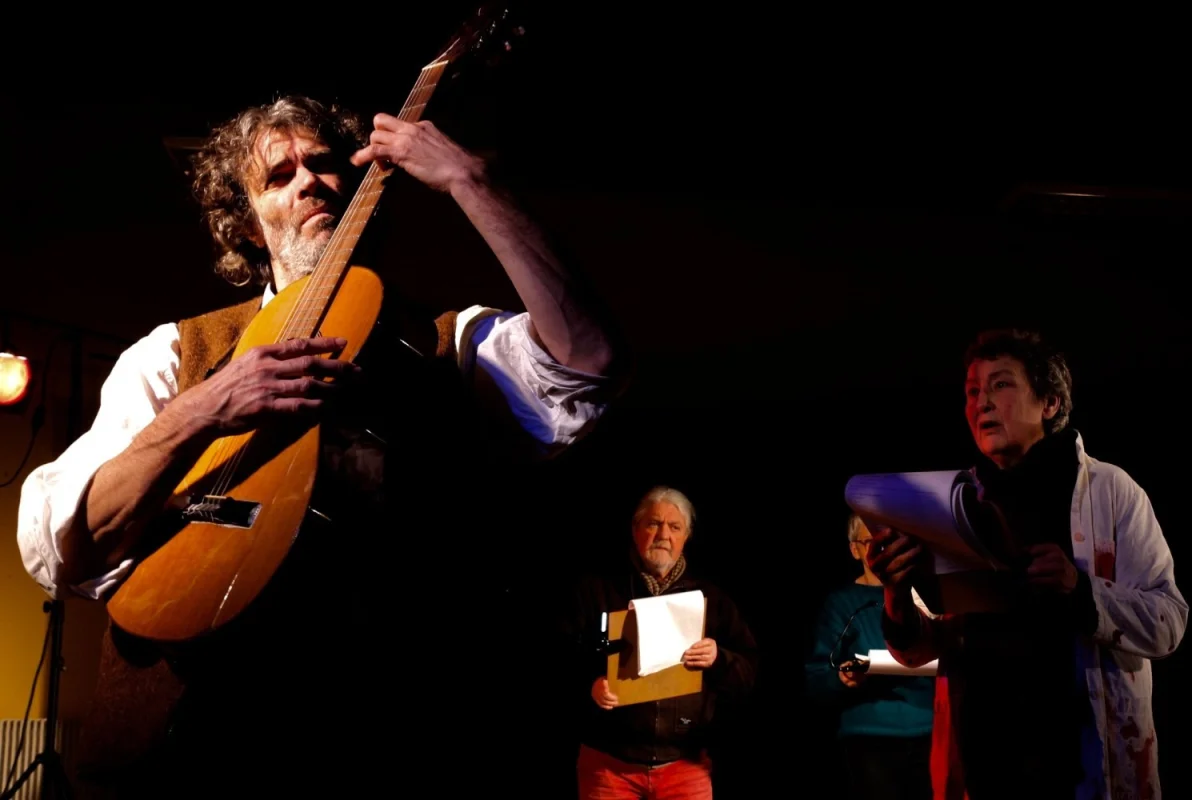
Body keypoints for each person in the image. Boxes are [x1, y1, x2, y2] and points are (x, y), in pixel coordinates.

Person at [15, 94, 625, 797]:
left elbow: (587, 362)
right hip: (182, 756)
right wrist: (206, 407)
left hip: (386, 742)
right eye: (279, 176)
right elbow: (61, 545)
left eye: (326, 163)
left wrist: (471, 181)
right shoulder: (175, 353)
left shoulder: (446, 346)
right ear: (248, 225)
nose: (309, 181)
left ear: (365, 189)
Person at [865, 328, 1187, 800]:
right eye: (972, 391)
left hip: (1079, 770)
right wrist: (896, 592)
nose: (982, 402)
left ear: (1050, 403)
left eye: (1000, 384)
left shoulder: (1109, 491)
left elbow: (1168, 621)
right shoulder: (952, 502)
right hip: (984, 769)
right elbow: (918, 652)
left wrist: (1079, 590)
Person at [560, 486, 758, 800]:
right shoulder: (595, 590)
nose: (663, 535)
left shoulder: (712, 599)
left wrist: (719, 658)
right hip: (609, 766)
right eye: (653, 523)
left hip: (686, 767)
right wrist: (591, 685)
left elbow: (749, 673)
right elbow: (559, 659)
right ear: (635, 529)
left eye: (674, 527)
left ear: (686, 536)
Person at [804, 512, 934, 799]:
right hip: (870, 736)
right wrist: (842, 678)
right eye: (872, 542)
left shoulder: (924, 596)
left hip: (930, 731)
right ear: (855, 550)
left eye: (890, 541)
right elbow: (817, 676)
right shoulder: (841, 603)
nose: (884, 550)